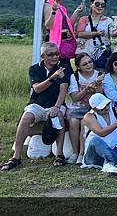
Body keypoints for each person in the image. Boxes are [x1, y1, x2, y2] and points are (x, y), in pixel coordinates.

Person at [1, 42, 69, 170]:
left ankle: (59, 154)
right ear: (43, 56)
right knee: (26, 117)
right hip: (37, 104)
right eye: (50, 54)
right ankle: (16, 157)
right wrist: (52, 78)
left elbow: (63, 89)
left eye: (57, 54)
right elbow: (37, 89)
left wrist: (57, 106)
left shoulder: (64, 67)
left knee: (59, 115)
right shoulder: (34, 69)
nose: (55, 57)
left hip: (55, 104)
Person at [66, 53, 104, 164]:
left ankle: (82, 153)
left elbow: (100, 96)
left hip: (92, 108)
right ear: (78, 67)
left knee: (84, 122)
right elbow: (74, 97)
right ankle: (75, 152)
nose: (89, 65)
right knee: (73, 122)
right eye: (85, 64)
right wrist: (86, 89)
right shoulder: (75, 76)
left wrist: (98, 84)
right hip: (78, 107)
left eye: (90, 62)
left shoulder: (99, 75)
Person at [43, 0, 84, 73]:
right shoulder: (48, 5)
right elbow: (48, 25)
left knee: (66, 71)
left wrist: (76, 12)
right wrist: (53, 11)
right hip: (55, 44)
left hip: (64, 44)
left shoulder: (62, 8)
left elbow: (69, 24)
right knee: (61, 71)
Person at [75, 0, 113, 70]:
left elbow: (112, 34)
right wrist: (96, 33)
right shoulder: (84, 19)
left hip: (101, 55)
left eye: (103, 5)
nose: (100, 6)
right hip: (85, 54)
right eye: (97, 4)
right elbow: (80, 33)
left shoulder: (108, 21)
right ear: (91, 4)